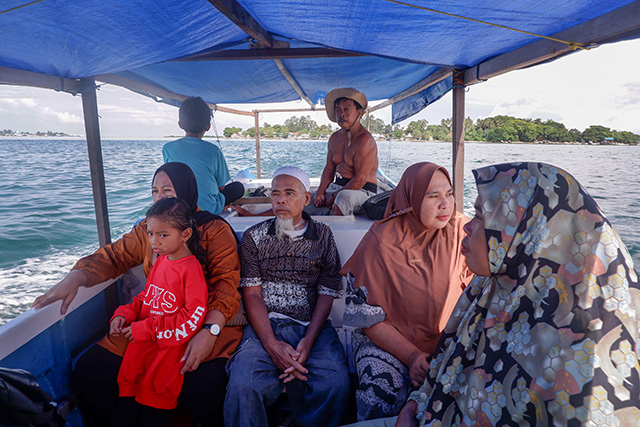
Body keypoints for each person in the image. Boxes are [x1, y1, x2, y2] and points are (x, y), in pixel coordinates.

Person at [395, 162, 640, 426]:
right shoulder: (493, 287)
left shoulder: (579, 348)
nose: (465, 227)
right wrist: (413, 405)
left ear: (524, 234)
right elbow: (444, 364)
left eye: (479, 217)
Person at [32, 162, 241, 427]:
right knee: (92, 371)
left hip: (204, 322)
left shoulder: (214, 230)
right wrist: (76, 277)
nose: (160, 196)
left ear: (187, 189)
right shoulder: (148, 229)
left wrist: (209, 332)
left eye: (168, 189)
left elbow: (226, 285)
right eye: (155, 191)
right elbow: (115, 256)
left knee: (202, 386)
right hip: (152, 322)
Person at [341, 162, 473, 421]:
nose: (445, 204)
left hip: (450, 344)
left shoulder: (464, 233)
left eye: (449, 194)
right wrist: (412, 356)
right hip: (389, 344)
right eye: (433, 196)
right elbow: (368, 319)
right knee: (377, 390)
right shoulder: (382, 240)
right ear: (411, 198)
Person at [224, 166, 350, 427]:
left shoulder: (323, 236)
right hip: (265, 326)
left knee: (335, 382)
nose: (280, 199)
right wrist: (271, 344)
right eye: (275, 193)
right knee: (242, 385)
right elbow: (252, 294)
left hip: (311, 326)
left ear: (306, 199)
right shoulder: (254, 237)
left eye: (289, 193)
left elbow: (327, 291)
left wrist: (308, 340)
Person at [109, 197, 208, 426]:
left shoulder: (190, 270)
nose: (155, 241)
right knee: (124, 411)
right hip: (140, 354)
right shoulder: (161, 261)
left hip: (165, 361)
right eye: (150, 234)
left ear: (185, 235)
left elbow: (191, 319)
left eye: (163, 235)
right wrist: (124, 313)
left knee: (150, 416)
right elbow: (147, 296)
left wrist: (147, 329)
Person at [163, 96, 244, 215]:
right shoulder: (213, 150)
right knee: (238, 187)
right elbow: (221, 187)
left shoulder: (167, 148)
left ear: (180, 124)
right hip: (210, 208)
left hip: (179, 208)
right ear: (208, 126)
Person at [311, 88, 379, 216]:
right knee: (302, 200)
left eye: (346, 109)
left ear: (359, 113)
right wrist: (320, 192)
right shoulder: (334, 138)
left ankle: (330, 234)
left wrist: (335, 195)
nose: (341, 114)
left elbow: (360, 179)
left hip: (363, 191)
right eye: (338, 110)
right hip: (338, 187)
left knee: (344, 198)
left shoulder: (365, 140)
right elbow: (329, 170)